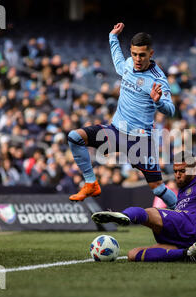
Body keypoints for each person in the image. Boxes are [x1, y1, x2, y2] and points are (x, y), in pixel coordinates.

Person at [67, 22, 177, 209]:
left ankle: (186, 214)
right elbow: (118, 60)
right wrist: (112, 38)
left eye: (142, 55)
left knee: (157, 188)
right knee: (75, 137)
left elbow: (171, 110)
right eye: (134, 54)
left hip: (140, 140)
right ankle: (91, 183)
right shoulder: (128, 64)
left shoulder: (158, 80)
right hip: (116, 131)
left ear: (151, 53)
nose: (137, 58)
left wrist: (158, 101)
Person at [91, 145, 196, 262]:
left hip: (192, 225)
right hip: (185, 239)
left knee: (151, 212)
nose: (178, 175)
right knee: (133, 254)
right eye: (175, 171)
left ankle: (124, 216)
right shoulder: (182, 192)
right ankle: (187, 254)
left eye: (182, 171)